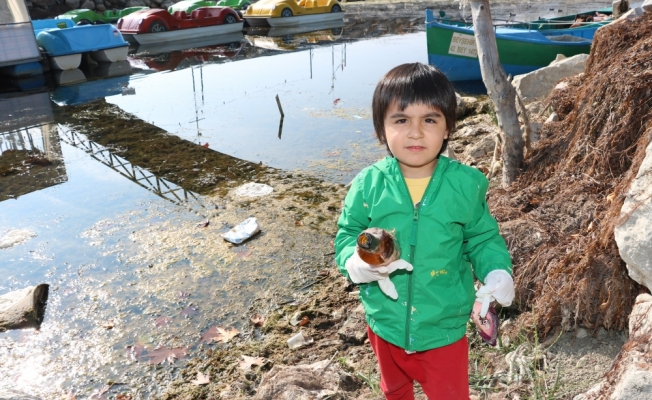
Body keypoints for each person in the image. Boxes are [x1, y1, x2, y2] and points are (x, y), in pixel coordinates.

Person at [334, 63, 515, 399]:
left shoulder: (465, 185)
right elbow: (348, 234)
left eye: (429, 120)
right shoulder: (368, 185)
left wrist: (497, 270)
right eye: (401, 120)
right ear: (381, 129)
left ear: (448, 128)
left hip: (443, 329)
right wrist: (354, 261)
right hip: (385, 324)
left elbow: (482, 237)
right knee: (394, 391)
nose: (415, 132)